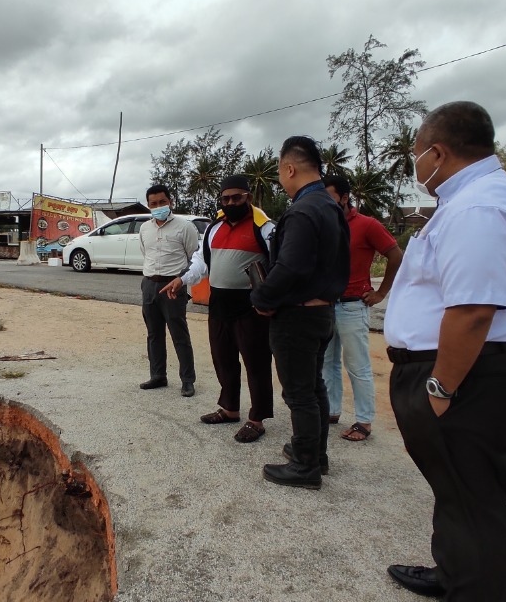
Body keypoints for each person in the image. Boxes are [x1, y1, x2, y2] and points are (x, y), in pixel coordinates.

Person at [383, 101, 506, 600]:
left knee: (475, 501)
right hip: (463, 375)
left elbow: (473, 310)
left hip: (464, 378)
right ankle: (454, 571)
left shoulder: (480, 206)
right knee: (459, 489)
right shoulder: (475, 199)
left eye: (416, 155)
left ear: (437, 151)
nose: (416, 167)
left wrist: (440, 387)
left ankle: (477, 588)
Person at [251, 136, 349, 490]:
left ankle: (305, 466)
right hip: (323, 313)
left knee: (299, 393)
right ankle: (315, 454)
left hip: (297, 317)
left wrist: (262, 297)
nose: (280, 179)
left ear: (290, 168)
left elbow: (289, 268)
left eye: (280, 171)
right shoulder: (329, 205)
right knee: (314, 386)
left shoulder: (303, 211)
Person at [162, 175, 275, 443]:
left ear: (248, 197)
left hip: (251, 305)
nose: (231, 202)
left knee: (256, 361)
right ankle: (230, 408)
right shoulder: (215, 227)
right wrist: (182, 279)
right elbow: (200, 261)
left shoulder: (265, 227)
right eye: (226, 198)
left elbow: (279, 263)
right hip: (220, 303)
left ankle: (257, 419)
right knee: (222, 357)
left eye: (237, 197)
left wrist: (272, 300)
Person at [320, 174, 403, 441]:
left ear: (344, 198)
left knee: (357, 366)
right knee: (327, 363)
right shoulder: (324, 226)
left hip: (353, 305)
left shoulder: (367, 225)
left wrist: (381, 292)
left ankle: (364, 421)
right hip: (326, 305)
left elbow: (395, 254)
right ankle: (332, 410)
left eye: (329, 197)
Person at [138, 184, 200, 397]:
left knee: (179, 334)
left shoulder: (185, 227)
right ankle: (158, 375)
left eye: (162, 202)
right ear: (148, 205)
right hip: (149, 285)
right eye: (153, 204)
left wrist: (181, 280)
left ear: (170, 202)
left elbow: (195, 258)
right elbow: (145, 253)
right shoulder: (145, 228)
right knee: (154, 334)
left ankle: (188, 380)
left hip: (173, 287)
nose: (158, 207)